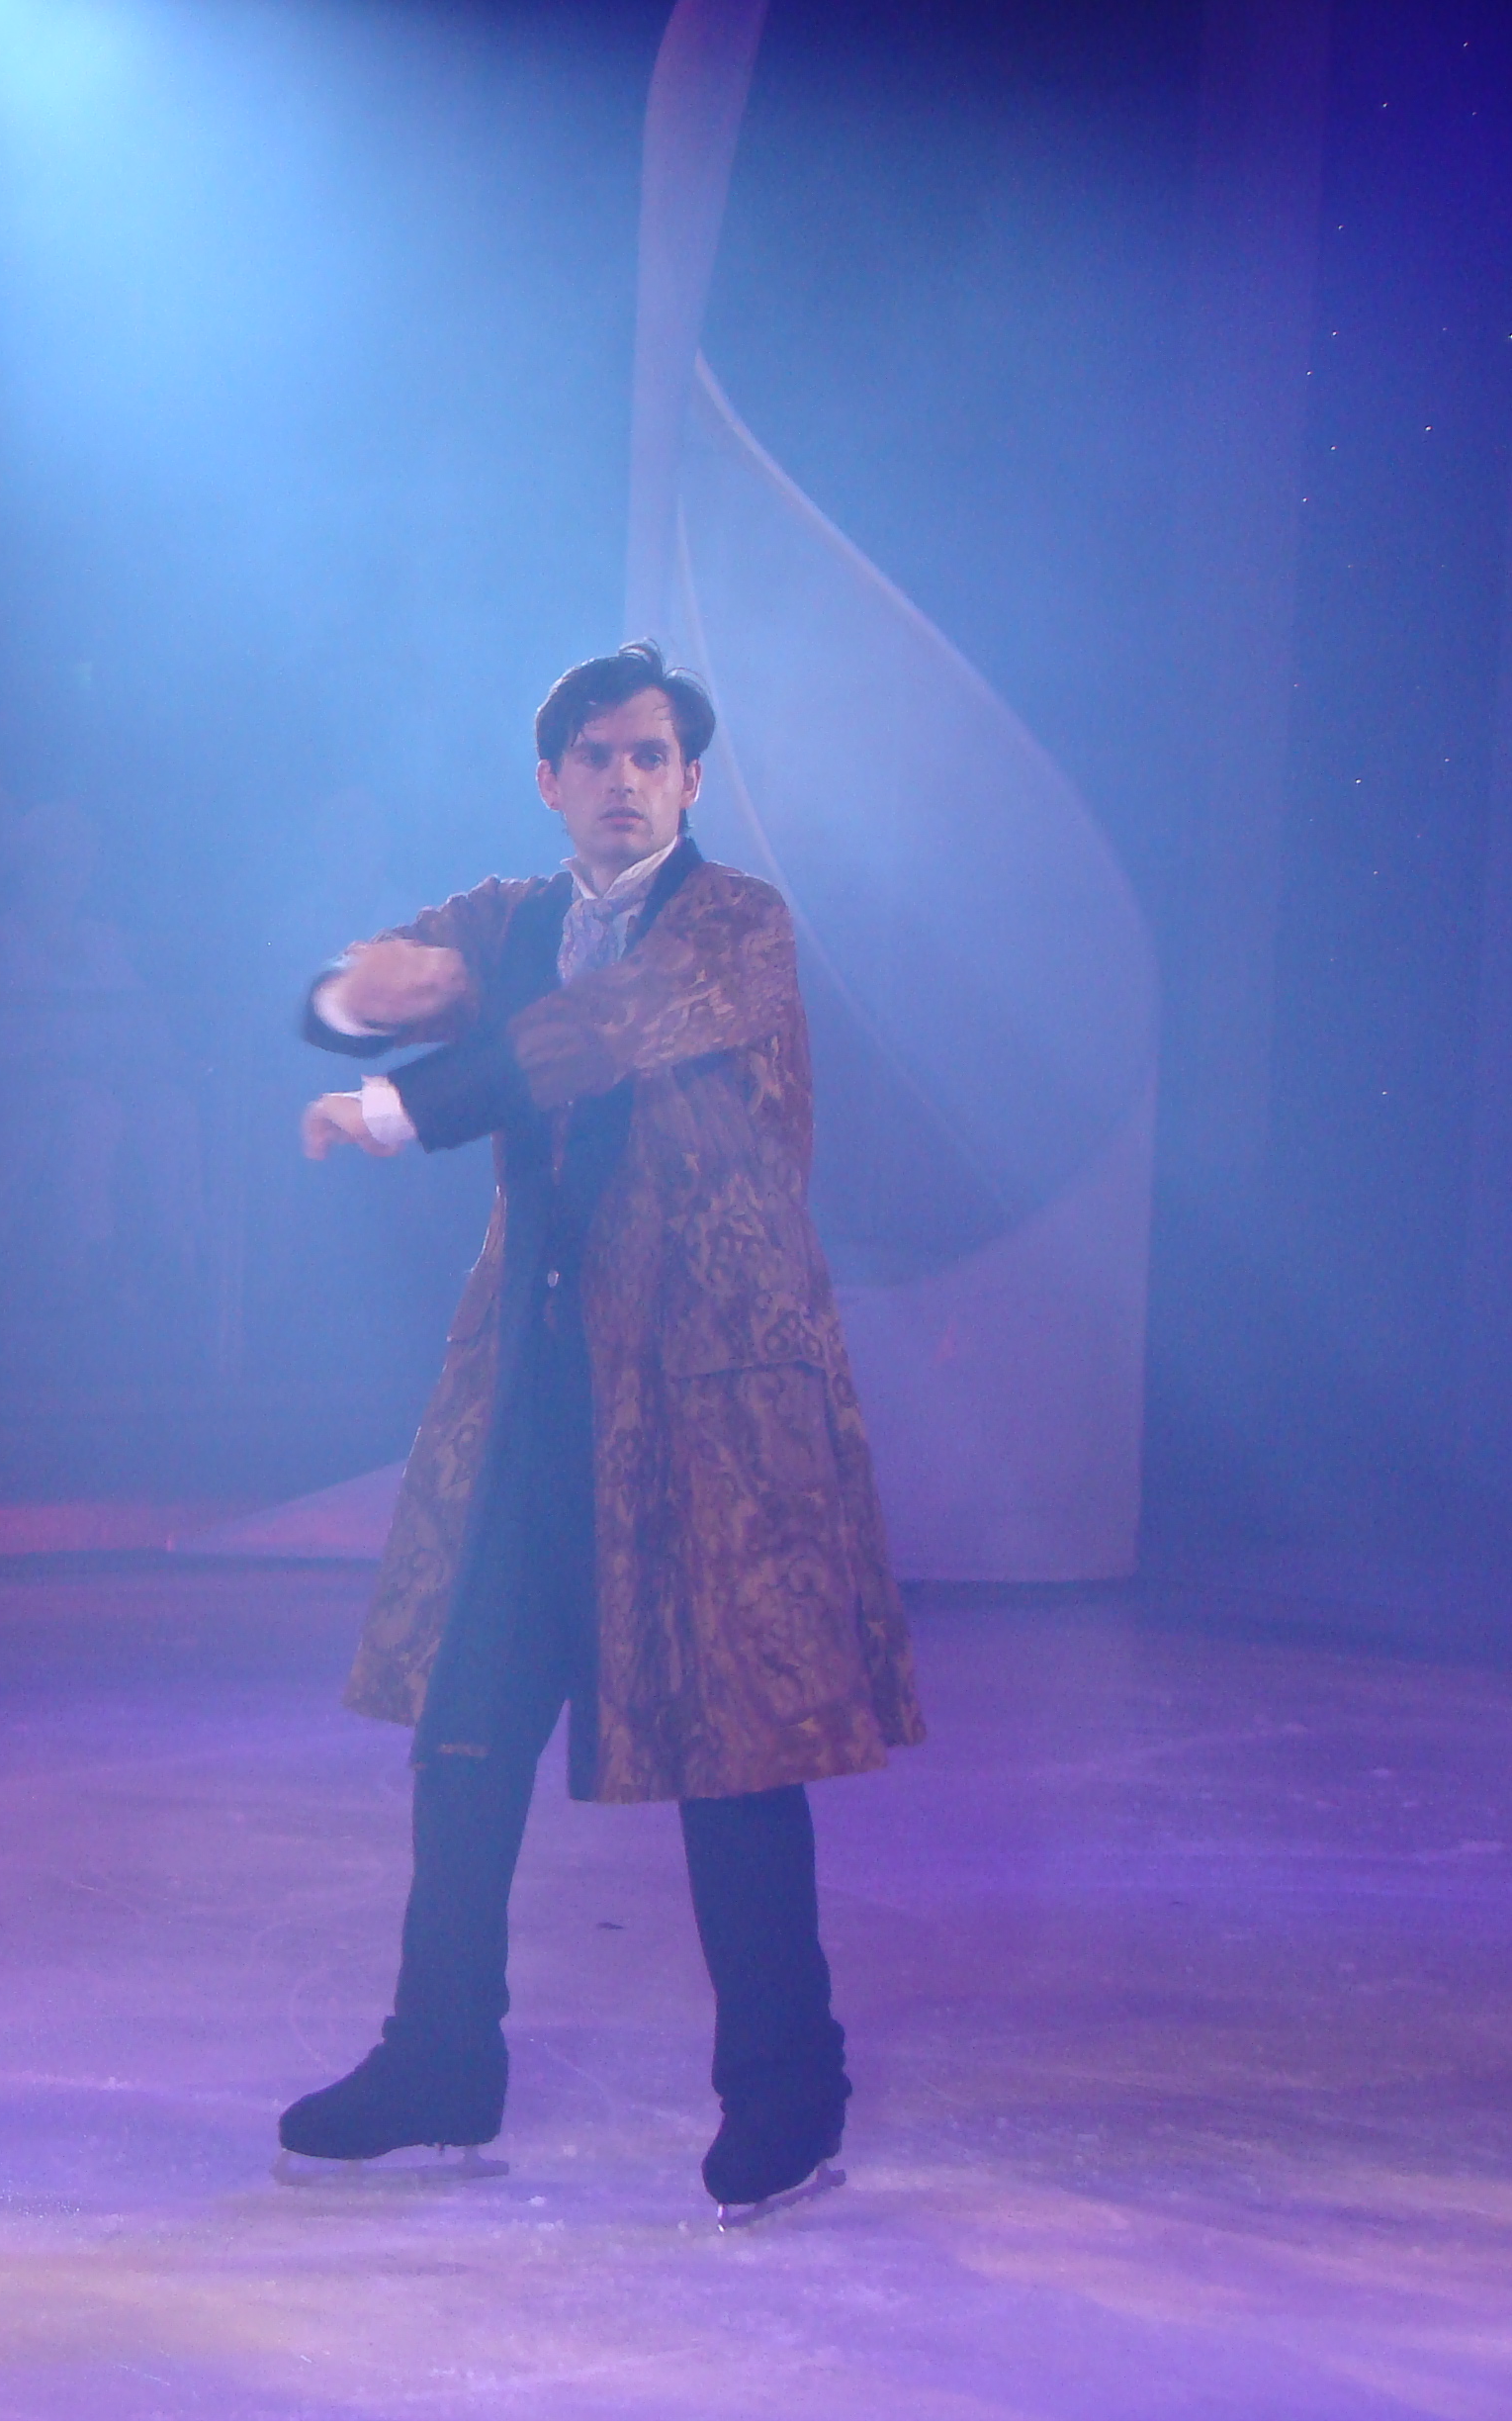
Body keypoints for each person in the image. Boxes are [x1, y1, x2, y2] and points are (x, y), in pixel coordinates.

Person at [284, 642, 923, 2224]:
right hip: (540, 1387)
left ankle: (788, 2098)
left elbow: (590, 1038)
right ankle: (440, 2060)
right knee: (468, 1729)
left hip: (710, 1403)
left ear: (691, 781)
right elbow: (355, 993)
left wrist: (399, 1108)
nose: (624, 780)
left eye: (651, 756)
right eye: (597, 756)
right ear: (551, 781)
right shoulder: (509, 920)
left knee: (734, 1753)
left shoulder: (736, 924)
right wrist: (359, 999)